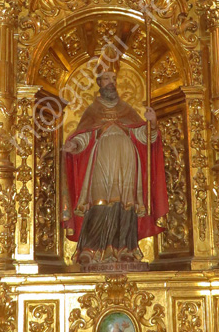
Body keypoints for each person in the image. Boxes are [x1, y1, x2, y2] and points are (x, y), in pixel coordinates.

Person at [60, 71, 168, 265]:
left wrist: (151, 123)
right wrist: (74, 145)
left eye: (115, 79)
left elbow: (145, 137)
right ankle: (91, 248)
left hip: (127, 159)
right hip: (102, 158)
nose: (112, 83)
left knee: (126, 204)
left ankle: (125, 248)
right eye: (107, 79)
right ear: (99, 82)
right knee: (99, 201)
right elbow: (85, 135)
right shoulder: (92, 110)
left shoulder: (126, 109)